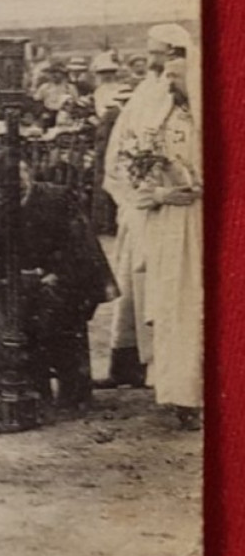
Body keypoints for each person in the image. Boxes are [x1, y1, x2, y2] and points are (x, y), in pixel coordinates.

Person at [0, 147, 117, 414]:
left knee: (58, 309)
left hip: (62, 278)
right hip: (21, 284)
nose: (16, 184)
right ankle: (36, 391)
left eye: (21, 175)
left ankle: (74, 394)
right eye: (6, 182)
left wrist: (55, 274)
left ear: (29, 172)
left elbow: (79, 247)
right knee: (16, 311)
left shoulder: (58, 198)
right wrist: (13, 278)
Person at [99, 23, 189, 389]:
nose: (149, 58)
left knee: (161, 284)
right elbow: (126, 140)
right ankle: (127, 364)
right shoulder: (146, 91)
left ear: (172, 53)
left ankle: (159, 367)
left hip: (169, 204)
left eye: (154, 51)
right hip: (138, 201)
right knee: (131, 282)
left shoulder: (181, 91)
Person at [140, 55, 202, 429]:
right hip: (175, 228)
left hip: (212, 223)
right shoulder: (159, 124)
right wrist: (164, 195)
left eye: (178, 76)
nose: (170, 83)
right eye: (167, 76)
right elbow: (140, 182)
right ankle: (184, 397)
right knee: (179, 308)